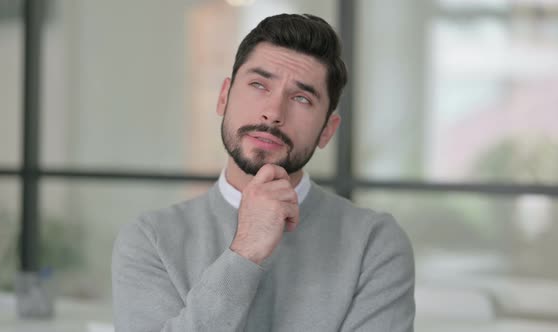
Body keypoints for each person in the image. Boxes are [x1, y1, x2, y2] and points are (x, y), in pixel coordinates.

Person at [112, 13, 415, 332]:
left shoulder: (374, 243)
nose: (273, 113)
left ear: (327, 130)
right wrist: (246, 250)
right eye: (259, 85)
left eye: (301, 98)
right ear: (223, 97)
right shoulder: (149, 239)